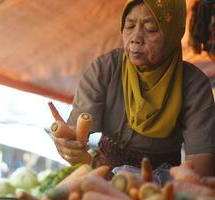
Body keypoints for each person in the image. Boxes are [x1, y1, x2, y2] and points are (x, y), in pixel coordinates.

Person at [53, 0, 215, 178]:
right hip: (103, 181)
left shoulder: (194, 85)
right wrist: (68, 145)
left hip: (162, 187)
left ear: (172, 33)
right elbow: (75, 135)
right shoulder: (106, 69)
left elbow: (201, 169)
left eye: (151, 28)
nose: (136, 37)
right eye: (129, 26)